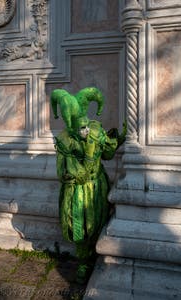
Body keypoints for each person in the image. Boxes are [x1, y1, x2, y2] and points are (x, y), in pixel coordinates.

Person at [51, 87, 126, 283]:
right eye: (80, 127)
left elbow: (108, 156)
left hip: (96, 187)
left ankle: (95, 255)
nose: (84, 130)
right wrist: (74, 176)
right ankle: (83, 262)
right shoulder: (65, 141)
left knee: (96, 222)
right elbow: (61, 171)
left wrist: (114, 141)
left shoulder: (95, 131)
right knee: (79, 227)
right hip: (76, 191)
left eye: (85, 126)